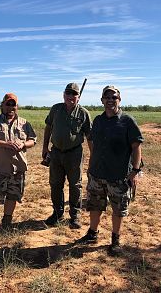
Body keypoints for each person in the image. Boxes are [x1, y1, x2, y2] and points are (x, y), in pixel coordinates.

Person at [76, 85, 144, 256]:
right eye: (107, 97)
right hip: (97, 173)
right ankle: (92, 233)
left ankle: (115, 239)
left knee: (118, 209)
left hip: (119, 175)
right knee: (94, 205)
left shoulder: (127, 121)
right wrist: (92, 163)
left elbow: (136, 147)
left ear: (119, 100)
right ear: (102, 101)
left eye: (114, 97)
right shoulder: (98, 120)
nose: (110, 100)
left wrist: (135, 170)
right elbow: (91, 140)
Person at [0, 93, 37, 241]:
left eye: (13, 104)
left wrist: (23, 144)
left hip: (18, 168)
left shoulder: (24, 123)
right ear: (2, 105)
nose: (10, 107)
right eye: (8, 104)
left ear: (17, 107)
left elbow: (33, 140)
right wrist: (6, 144)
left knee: (12, 196)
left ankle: (6, 223)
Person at [42, 82, 92, 229]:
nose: (71, 96)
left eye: (74, 94)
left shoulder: (84, 113)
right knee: (55, 184)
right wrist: (45, 147)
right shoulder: (56, 109)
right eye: (68, 93)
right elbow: (48, 127)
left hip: (74, 154)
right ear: (63, 95)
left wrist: (93, 157)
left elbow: (90, 136)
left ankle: (75, 216)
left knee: (75, 185)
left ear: (79, 97)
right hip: (56, 153)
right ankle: (57, 213)